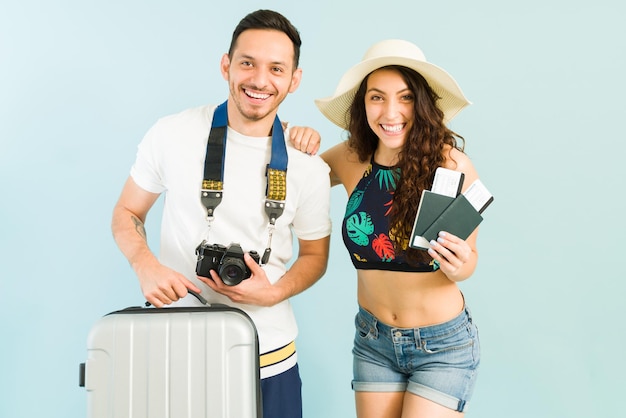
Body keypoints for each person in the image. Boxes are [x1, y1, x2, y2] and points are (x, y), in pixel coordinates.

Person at [110, 9, 331, 418]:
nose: (260, 80)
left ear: (294, 80)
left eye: (276, 68)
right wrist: (145, 265)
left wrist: (274, 291)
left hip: (271, 356)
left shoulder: (307, 166)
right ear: (226, 65)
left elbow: (316, 256)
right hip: (179, 346)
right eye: (247, 62)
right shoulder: (172, 133)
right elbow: (126, 211)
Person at [313, 39, 482, 417]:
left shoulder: (453, 166)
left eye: (404, 97)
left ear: (421, 105)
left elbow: (470, 262)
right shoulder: (350, 156)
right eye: (377, 97)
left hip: (442, 346)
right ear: (363, 105)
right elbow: (291, 182)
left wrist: (459, 264)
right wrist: (295, 145)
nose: (391, 111)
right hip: (373, 341)